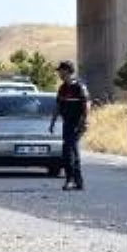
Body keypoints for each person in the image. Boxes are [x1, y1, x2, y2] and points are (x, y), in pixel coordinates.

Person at [49, 60, 90, 191]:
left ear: (67, 70)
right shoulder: (62, 88)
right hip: (67, 123)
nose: (59, 73)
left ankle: (71, 179)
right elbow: (58, 106)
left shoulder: (79, 86)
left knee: (68, 150)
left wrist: (85, 121)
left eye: (60, 70)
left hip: (77, 123)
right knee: (72, 150)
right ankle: (78, 181)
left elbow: (87, 104)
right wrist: (53, 122)